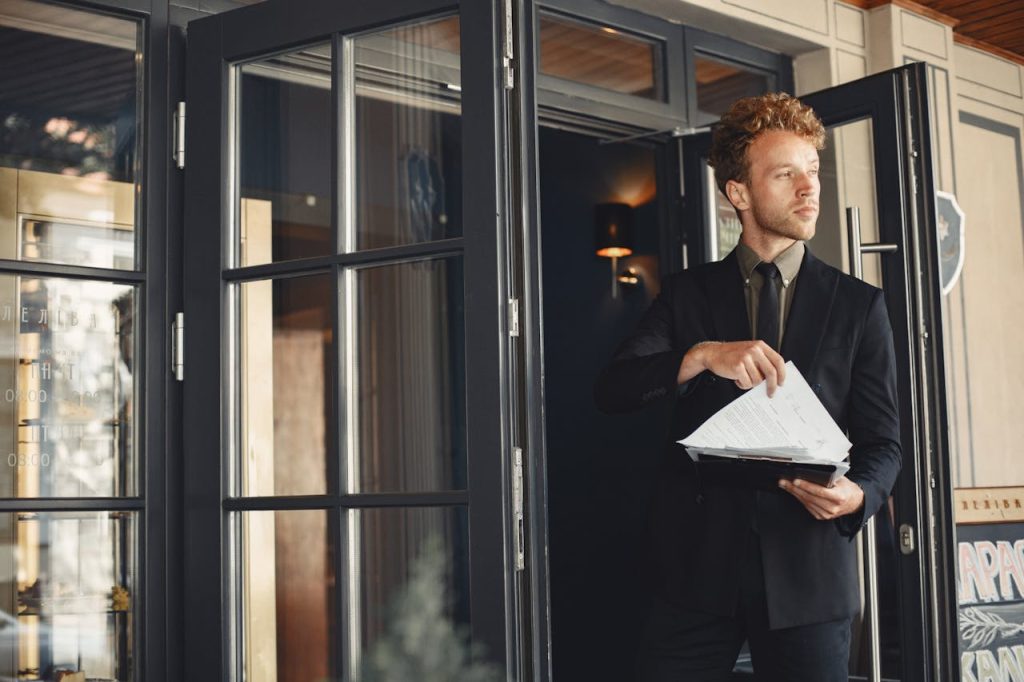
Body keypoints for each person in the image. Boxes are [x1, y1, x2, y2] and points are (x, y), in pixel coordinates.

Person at [593, 92, 901, 681]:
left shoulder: (860, 307)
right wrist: (701, 356)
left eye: (812, 172)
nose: (810, 188)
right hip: (692, 575)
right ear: (739, 193)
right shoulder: (686, 295)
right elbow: (613, 389)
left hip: (810, 574)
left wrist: (859, 495)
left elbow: (884, 443)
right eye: (787, 174)